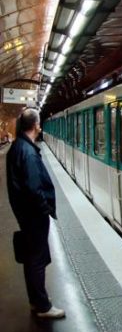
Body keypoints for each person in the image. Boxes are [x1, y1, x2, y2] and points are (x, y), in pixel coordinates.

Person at [6, 108, 64, 319]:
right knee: (37, 260)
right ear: (36, 126)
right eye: (39, 123)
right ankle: (43, 306)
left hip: (26, 213)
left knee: (32, 258)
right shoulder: (28, 152)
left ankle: (36, 300)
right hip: (33, 215)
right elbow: (32, 187)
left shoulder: (18, 147)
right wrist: (44, 208)